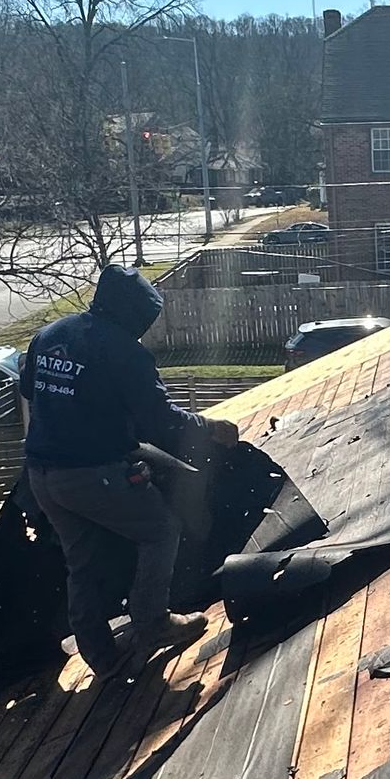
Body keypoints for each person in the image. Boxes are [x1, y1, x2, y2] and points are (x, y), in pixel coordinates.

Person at [21, 264, 238, 682]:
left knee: (81, 562)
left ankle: (101, 656)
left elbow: (32, 391)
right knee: (160, 530)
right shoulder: (124, 351)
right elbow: (161, 422)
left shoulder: (50, 334)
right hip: (92, 473)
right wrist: (211, 428)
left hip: (43, 475)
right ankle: (153, 623)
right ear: (134, 313)